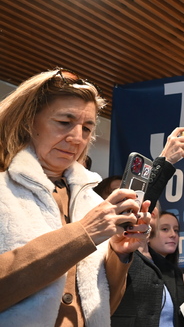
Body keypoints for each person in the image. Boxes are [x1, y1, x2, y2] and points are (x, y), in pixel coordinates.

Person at [0, 68, 151, 326]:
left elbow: (105, 308)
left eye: (87, 127)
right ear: (28, 121)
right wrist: (84, 233)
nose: (76, 138)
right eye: (64, 122)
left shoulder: (93, 203)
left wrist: (118, 253)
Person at [112, 127, 184, 327]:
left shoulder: (169, 270)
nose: (136, 203)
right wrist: (165, 161)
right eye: (122, 199)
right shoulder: (117, 258)